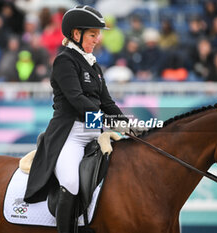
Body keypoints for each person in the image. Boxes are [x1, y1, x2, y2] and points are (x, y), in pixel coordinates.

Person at [24, 6, 141, 233]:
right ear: (76, 34)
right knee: (70, 183)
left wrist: (127, 123)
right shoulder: (64, 61)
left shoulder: (94, 65)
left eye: (98, 34)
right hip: (70, 136)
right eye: (92, 34)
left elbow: (107, 102)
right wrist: (109, 120)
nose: (98, 39)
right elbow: (77, 100)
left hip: (94, 135)